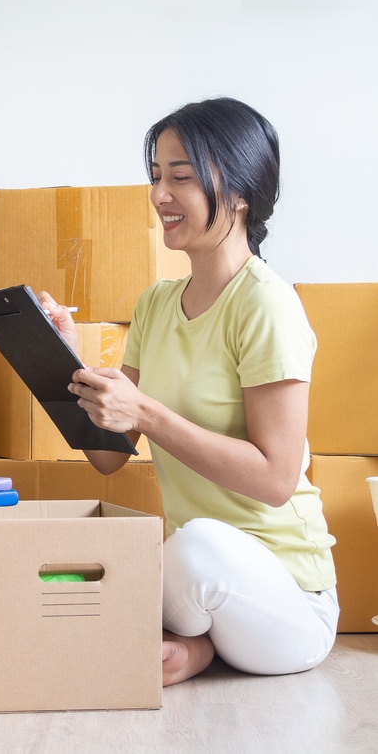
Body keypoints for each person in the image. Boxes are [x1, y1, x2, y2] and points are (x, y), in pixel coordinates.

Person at [39, 97, 337, 686]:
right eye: (155, 177)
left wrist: (148, 413)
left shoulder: (266, 305)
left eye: (180, 177)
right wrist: (63, 357)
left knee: (190, 550)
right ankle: (197, 646)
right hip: (196, 581)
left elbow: (277, 481)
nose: (159, 195)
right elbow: (105, 455)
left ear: (242, 188)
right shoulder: (155, 303)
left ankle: (187, 637)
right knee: (65, 569)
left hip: (287, 601)